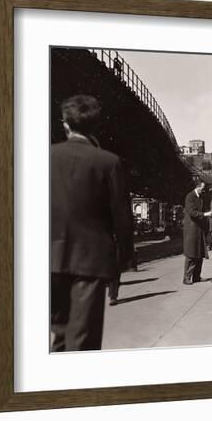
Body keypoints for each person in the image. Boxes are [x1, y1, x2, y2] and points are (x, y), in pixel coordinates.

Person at [50, 94, 134, 352]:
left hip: (48, 256)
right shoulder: (108, 162)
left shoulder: (44, 157)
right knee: (83, 336)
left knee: (58, 331)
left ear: (65, 124)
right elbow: (122, 215)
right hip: (91, 259)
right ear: (96, 127)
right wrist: (125, 256)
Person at [182, 181, 212, 284]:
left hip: (199, 228)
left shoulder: (200, 196)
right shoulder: (190, 196)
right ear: (198, 187)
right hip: (192, 229)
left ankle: (196, 276)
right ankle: (187, 277)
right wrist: (205, 214)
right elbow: (191, 212)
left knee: (199, 253)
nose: (203, 190)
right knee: (191, 254)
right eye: (202, 188)